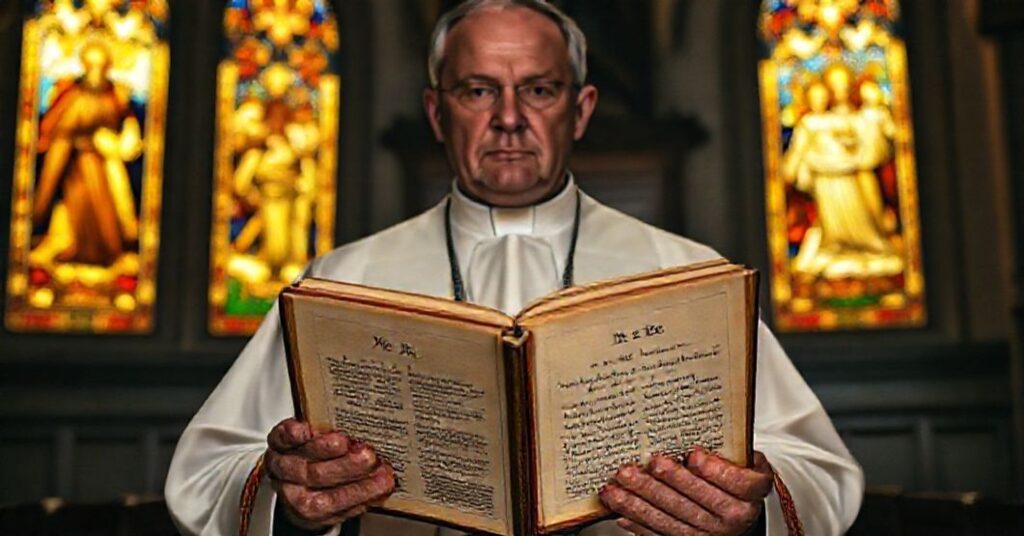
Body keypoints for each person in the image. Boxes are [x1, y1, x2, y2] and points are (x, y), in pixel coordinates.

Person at [165, 1, 864, 535]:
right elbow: (205, 473)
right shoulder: (341, 279)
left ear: (580, 110)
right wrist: (292, 497)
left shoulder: (685, 274)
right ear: (437, 114)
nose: (508, 118)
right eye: (477, 91)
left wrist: (748, 505)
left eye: (539, 90)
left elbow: (821, 471)